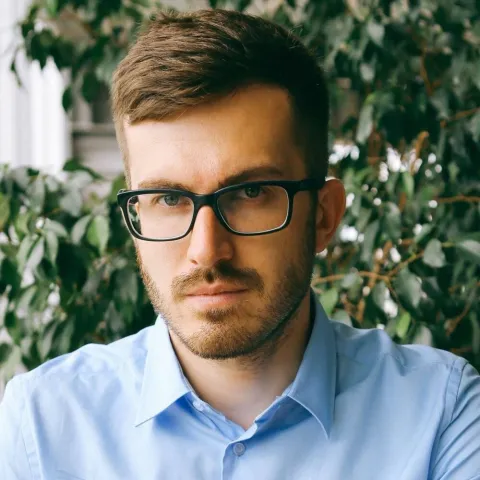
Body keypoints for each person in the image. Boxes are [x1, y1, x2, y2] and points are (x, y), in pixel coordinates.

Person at [1, 8, 479, 480]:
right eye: (169, 198)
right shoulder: (41, 426)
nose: (207, 251)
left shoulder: (441, 415)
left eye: (251, 193)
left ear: (324, 216)